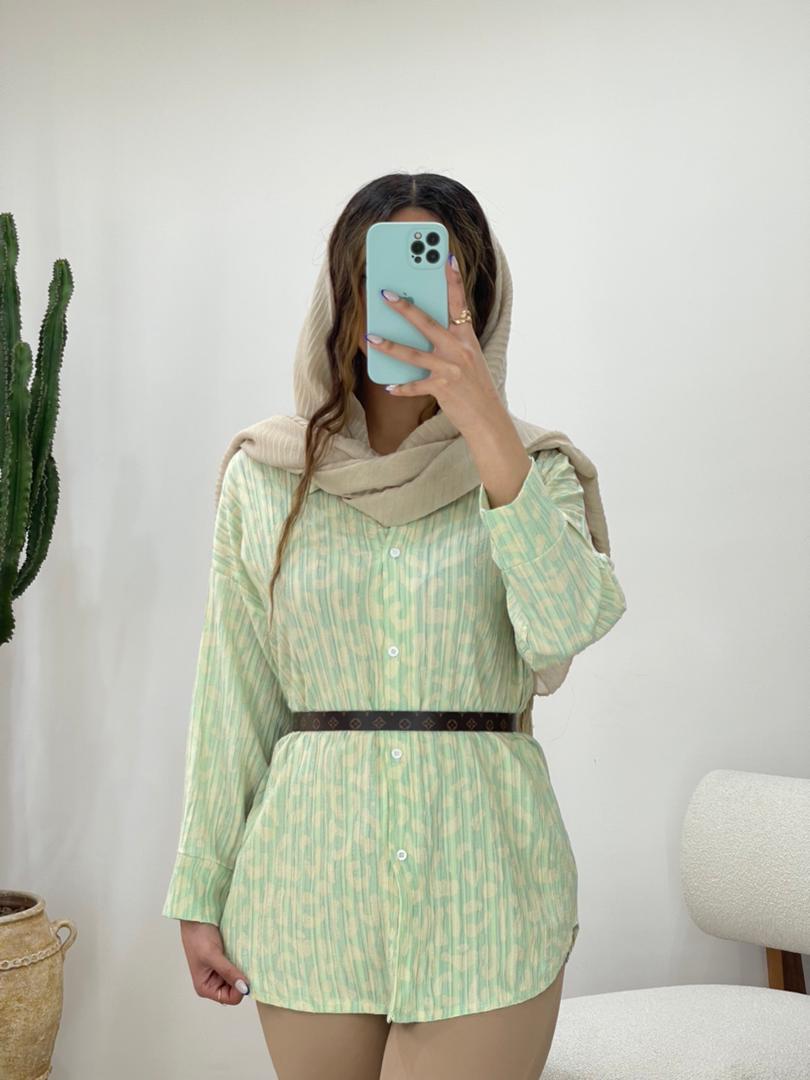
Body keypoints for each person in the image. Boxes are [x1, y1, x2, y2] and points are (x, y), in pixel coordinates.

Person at [162, 172, 628, 1080]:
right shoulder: (264, 478)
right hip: (305, 895)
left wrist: (482, 416)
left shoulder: (536, 470)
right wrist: (200, 889)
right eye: (388, 278)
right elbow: (232, 697)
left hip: (486, 895)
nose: (409, 304)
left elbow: (565, 626)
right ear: (345, 295)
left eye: (437, 279)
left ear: (478, 300)